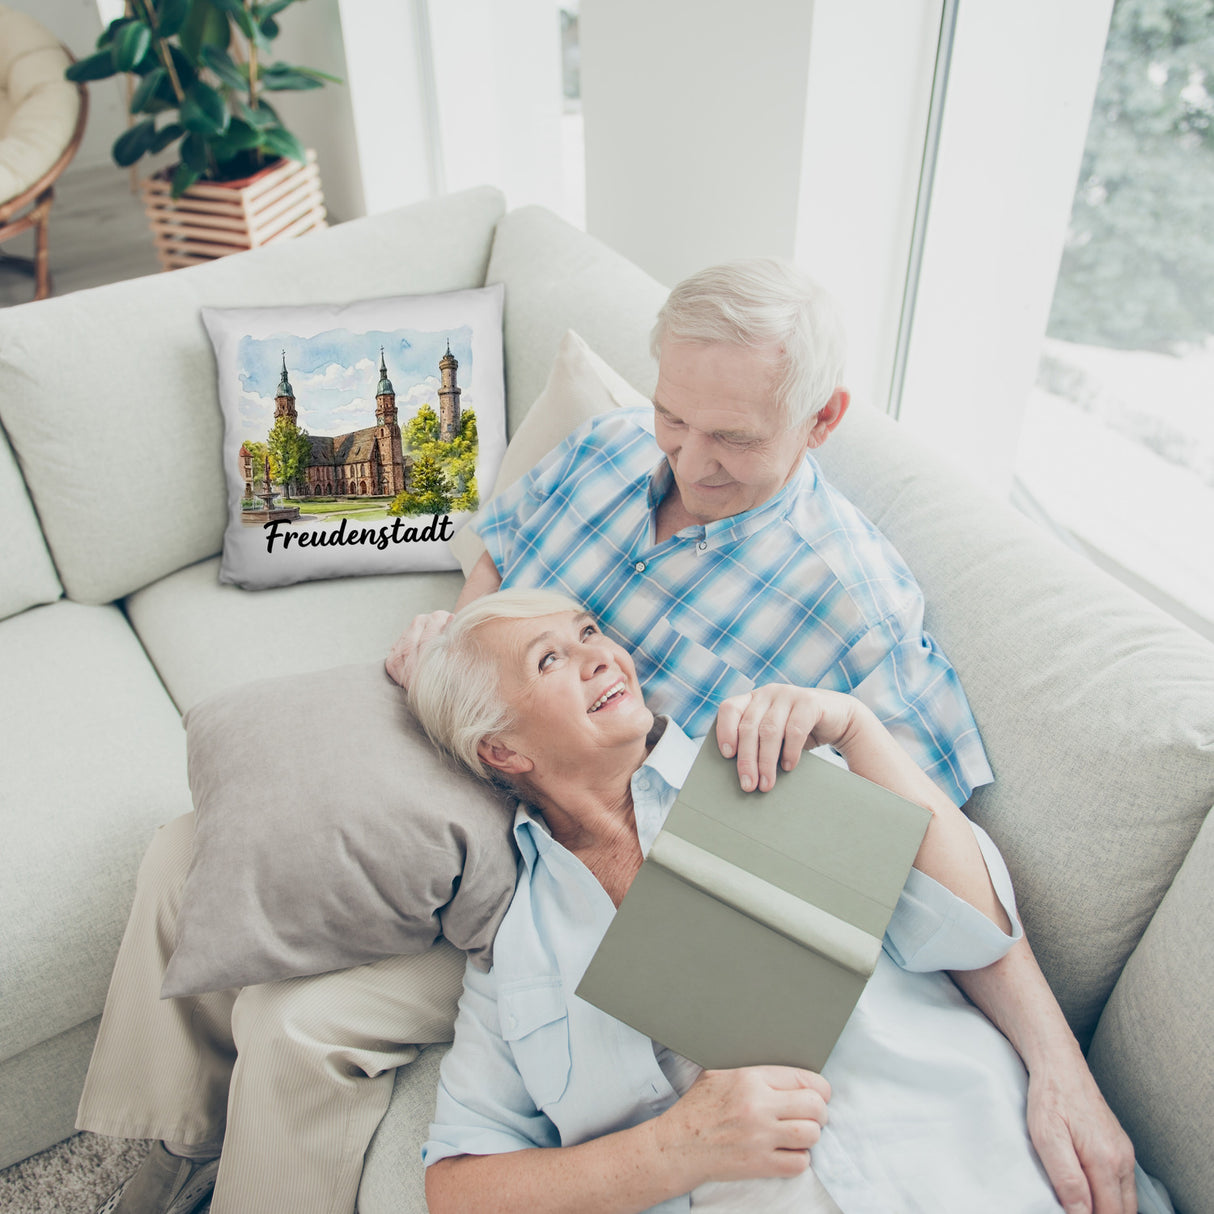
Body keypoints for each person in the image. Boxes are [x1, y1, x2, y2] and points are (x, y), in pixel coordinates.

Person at [388, 259, 1137, 1213]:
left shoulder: (832, 657)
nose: (689, 462)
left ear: (822, 420)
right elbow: (501, 549)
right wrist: (462, 655)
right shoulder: (608, 451)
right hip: (494, 836)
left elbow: (944, 885)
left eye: (732, 438)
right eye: (674, 418)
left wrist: (1058, 1069)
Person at [407, 589, 1161, 1214]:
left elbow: (973, 929)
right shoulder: (516, 952)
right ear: (502, 750)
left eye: (589, 632)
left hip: (986, 1167)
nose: (601, 655)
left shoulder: (762, 762)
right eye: (550, 659)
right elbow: (458, 1187)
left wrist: (859, 731)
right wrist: (672, 1150)